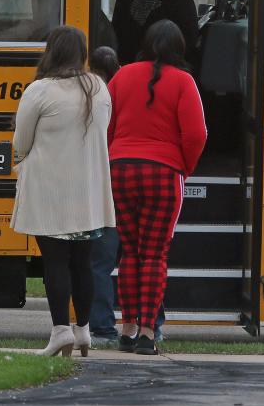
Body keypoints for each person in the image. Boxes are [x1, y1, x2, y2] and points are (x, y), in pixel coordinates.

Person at [10, 26, 115, 357]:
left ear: (51, 51)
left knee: (54, 262)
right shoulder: (98, 88)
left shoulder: (40, 90)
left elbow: (20, 142)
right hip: (88, 193)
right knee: (82, 262)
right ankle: (83, 330)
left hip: (49, 190)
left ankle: (60, 331)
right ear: (82, 53)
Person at [107, 19, 207, 355]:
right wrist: (184, 167)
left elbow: (105, 125)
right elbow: (196, 135)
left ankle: (127, 327)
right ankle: (148, 332)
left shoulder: (121, 76)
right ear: (179, 47)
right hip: (163, 172)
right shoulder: (183, 81)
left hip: (119, 169)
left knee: (129, 252)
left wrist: (112, 157)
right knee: (154, 254)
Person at [86, 46, 123, 347]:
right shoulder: (124, 90)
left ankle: (103, 325)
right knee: (143, 256)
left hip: (101, 180)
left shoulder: (92, 94)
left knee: (99, 260)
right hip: (126, 175)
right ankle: (148, 323)